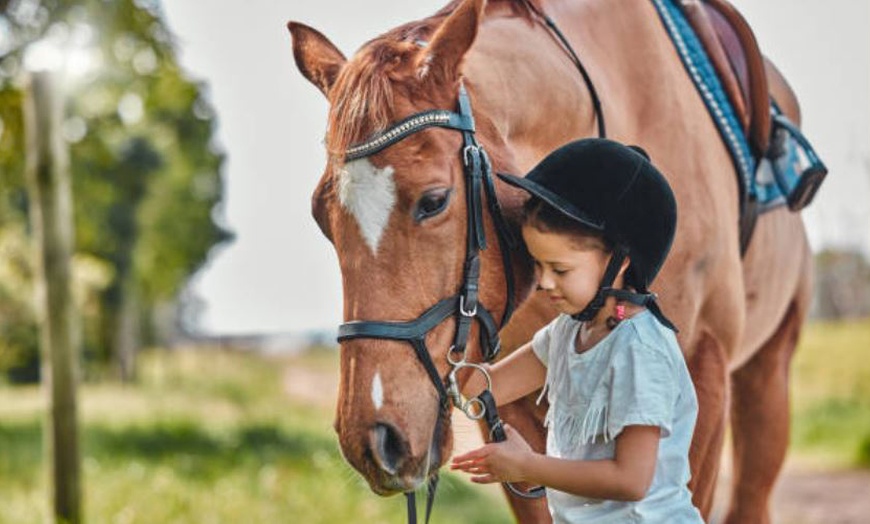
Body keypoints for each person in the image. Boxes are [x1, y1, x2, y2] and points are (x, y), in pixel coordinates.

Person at [451, 138, 703, 523]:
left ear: (620, 262)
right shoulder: (567, 332)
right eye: (539, 266)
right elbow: (479, 386)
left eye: (560, 269)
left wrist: (526, 466)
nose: (544, 283)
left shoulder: (638, 350)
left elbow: (631, 479)